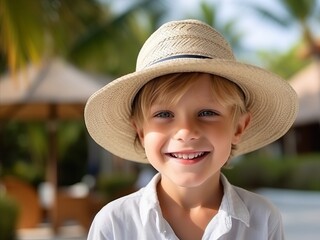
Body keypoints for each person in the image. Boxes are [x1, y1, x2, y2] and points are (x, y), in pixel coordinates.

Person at [84, 19, 298, 240]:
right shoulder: (114, 225)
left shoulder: (262, 220)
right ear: (140, 132)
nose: (186, 131)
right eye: (164, 115)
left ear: (238, 127)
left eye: (207, 113)